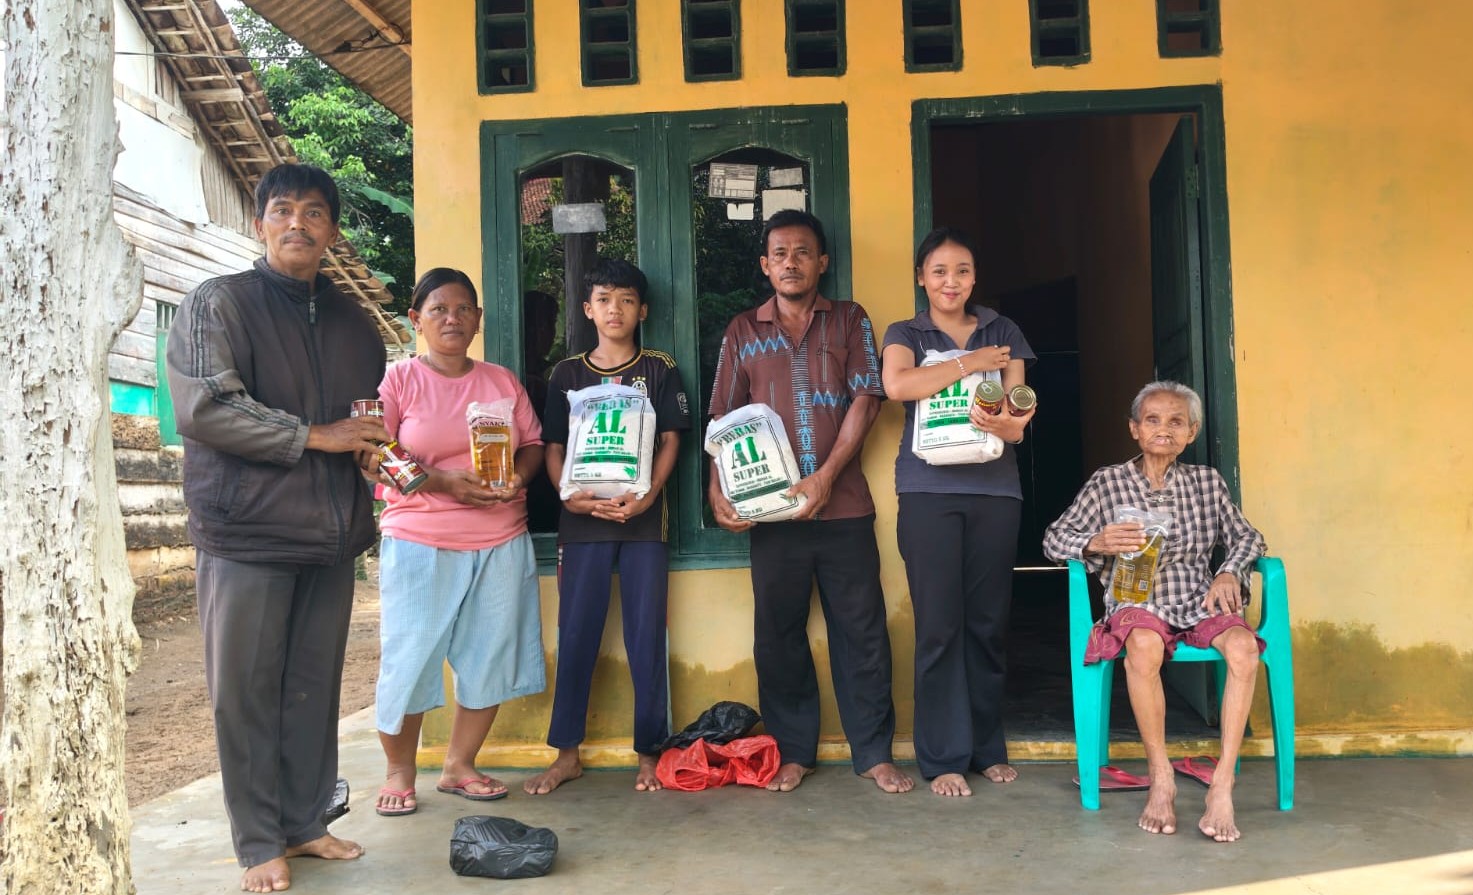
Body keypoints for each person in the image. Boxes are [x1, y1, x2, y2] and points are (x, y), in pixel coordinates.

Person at [166, 163, 386, 893]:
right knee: (247, 690)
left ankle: (304, 822)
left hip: (329, 537)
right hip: (247, 534)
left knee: (312, 687)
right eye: (283, 210)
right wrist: (317, 436)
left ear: (331, 229)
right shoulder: (217, 303)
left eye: (315, 212)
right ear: (259, 222)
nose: (299, 223)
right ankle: (258, 838)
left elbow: (363, 420)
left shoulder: (356, 323)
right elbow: (206, 409)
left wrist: (370, 452)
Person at [708, 209, 912, 795]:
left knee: (864, 631)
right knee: (778, 634)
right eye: (780, 253)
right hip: (770, 514)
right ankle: (794, 750)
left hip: (844, 504)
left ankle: (873, 752)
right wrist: (717, 485)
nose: (791, 262)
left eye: (803, 252)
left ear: (821, 262)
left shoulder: (849, 320)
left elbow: (866, 399)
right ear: (765, 265)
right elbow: (723, 417)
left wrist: (824, 477)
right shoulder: (743, 330)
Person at [1042, 381, 1266, 842]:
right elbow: (1052, 539)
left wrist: (1229, 573)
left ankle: (1221, 784)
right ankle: (1161, 777)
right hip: (1135, 599)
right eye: (1152, 420)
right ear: (1134, 429)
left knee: (1244, 648)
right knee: (1142, 648)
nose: (1164, 429)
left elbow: (1247, 538)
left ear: (1192, 432)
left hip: (1198, 596)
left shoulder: (1206, 483)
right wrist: (1095, 541)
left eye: (1176, 421)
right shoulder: (1108, 482)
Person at [373, 268, 546, 817]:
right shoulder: (398, 380)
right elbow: (374, 453)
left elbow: (536, 443)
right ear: (416, 320)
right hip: (420, 537)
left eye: (463, 309)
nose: (452, 318)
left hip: (499, 537)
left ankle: (459, 765)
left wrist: (519, 477)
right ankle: (401, 771)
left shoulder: (501, 380)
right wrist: (444, 483)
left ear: (477, 319)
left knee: (490, 655)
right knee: (410, 657)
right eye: (439, 309)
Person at [523, 258, 691, 796]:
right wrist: (568, 497)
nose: (614, 309)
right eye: (604, 299)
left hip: (642, 525)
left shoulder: (660, 368)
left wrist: (647, 496)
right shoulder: (567, 373)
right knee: (575, 637)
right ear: (588, 308)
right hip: (583, 524)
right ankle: (566, 753)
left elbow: (671, 441)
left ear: (642, 310)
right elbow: (552, 447)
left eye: (625, 300)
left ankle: (650, 753)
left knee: (647, 639)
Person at [880, 227, 1036, 797]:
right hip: (928, 493)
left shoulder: (1005, 331)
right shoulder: (906, 332)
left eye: (963, 270)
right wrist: (970, 363)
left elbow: (1021, 414)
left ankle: (985, 747)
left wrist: (1010, 424)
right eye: (940, 271)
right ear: (923, 277)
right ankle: (944, 756)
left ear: (975, 277)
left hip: (996, 492)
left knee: (987, 625)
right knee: (939, 625)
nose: (952, 281)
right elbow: (897, 385)